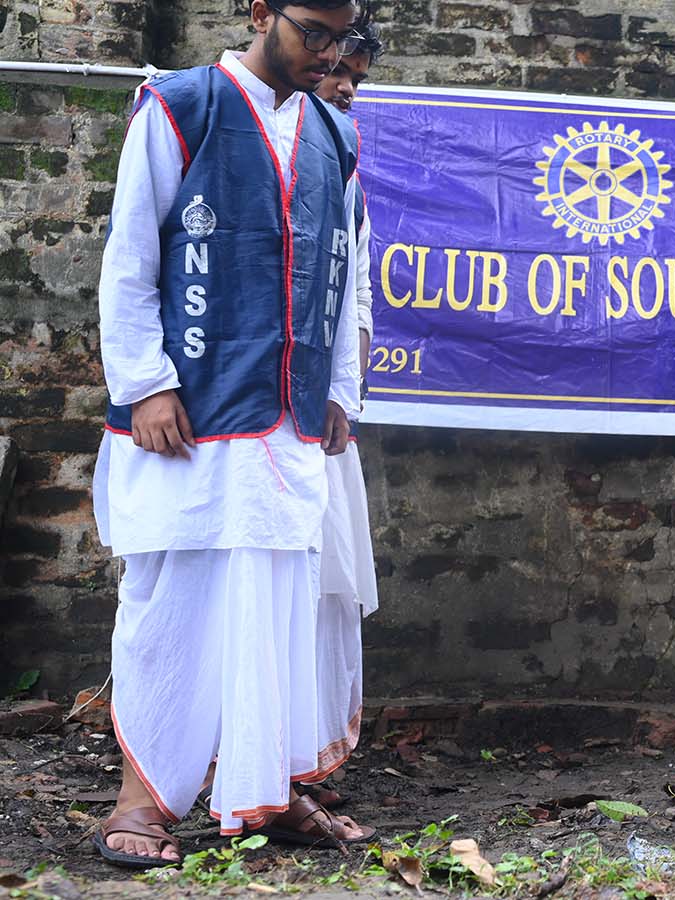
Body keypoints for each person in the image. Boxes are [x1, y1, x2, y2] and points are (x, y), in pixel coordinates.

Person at [91, 0, 375, 866]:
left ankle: (269, 787)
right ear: (260, 13)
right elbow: (131, 252)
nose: (327, 52)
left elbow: (348, 270)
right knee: (172, 604)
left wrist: (341, 388)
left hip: (291, 415)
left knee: (287, 606)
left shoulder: (334, 134)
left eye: (340, 37)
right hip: (191, 411)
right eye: (313, 32)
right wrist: (145, 385)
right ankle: (141, 803)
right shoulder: (181, 104)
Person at [301, 19, 384, 812]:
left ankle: (301, 758)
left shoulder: (348, 182)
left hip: (322, 418)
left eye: (357, 75)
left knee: (322, 586)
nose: (347, 86)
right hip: (244, 414)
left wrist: (340, 393)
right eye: (337, 70)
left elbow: (357, 294)